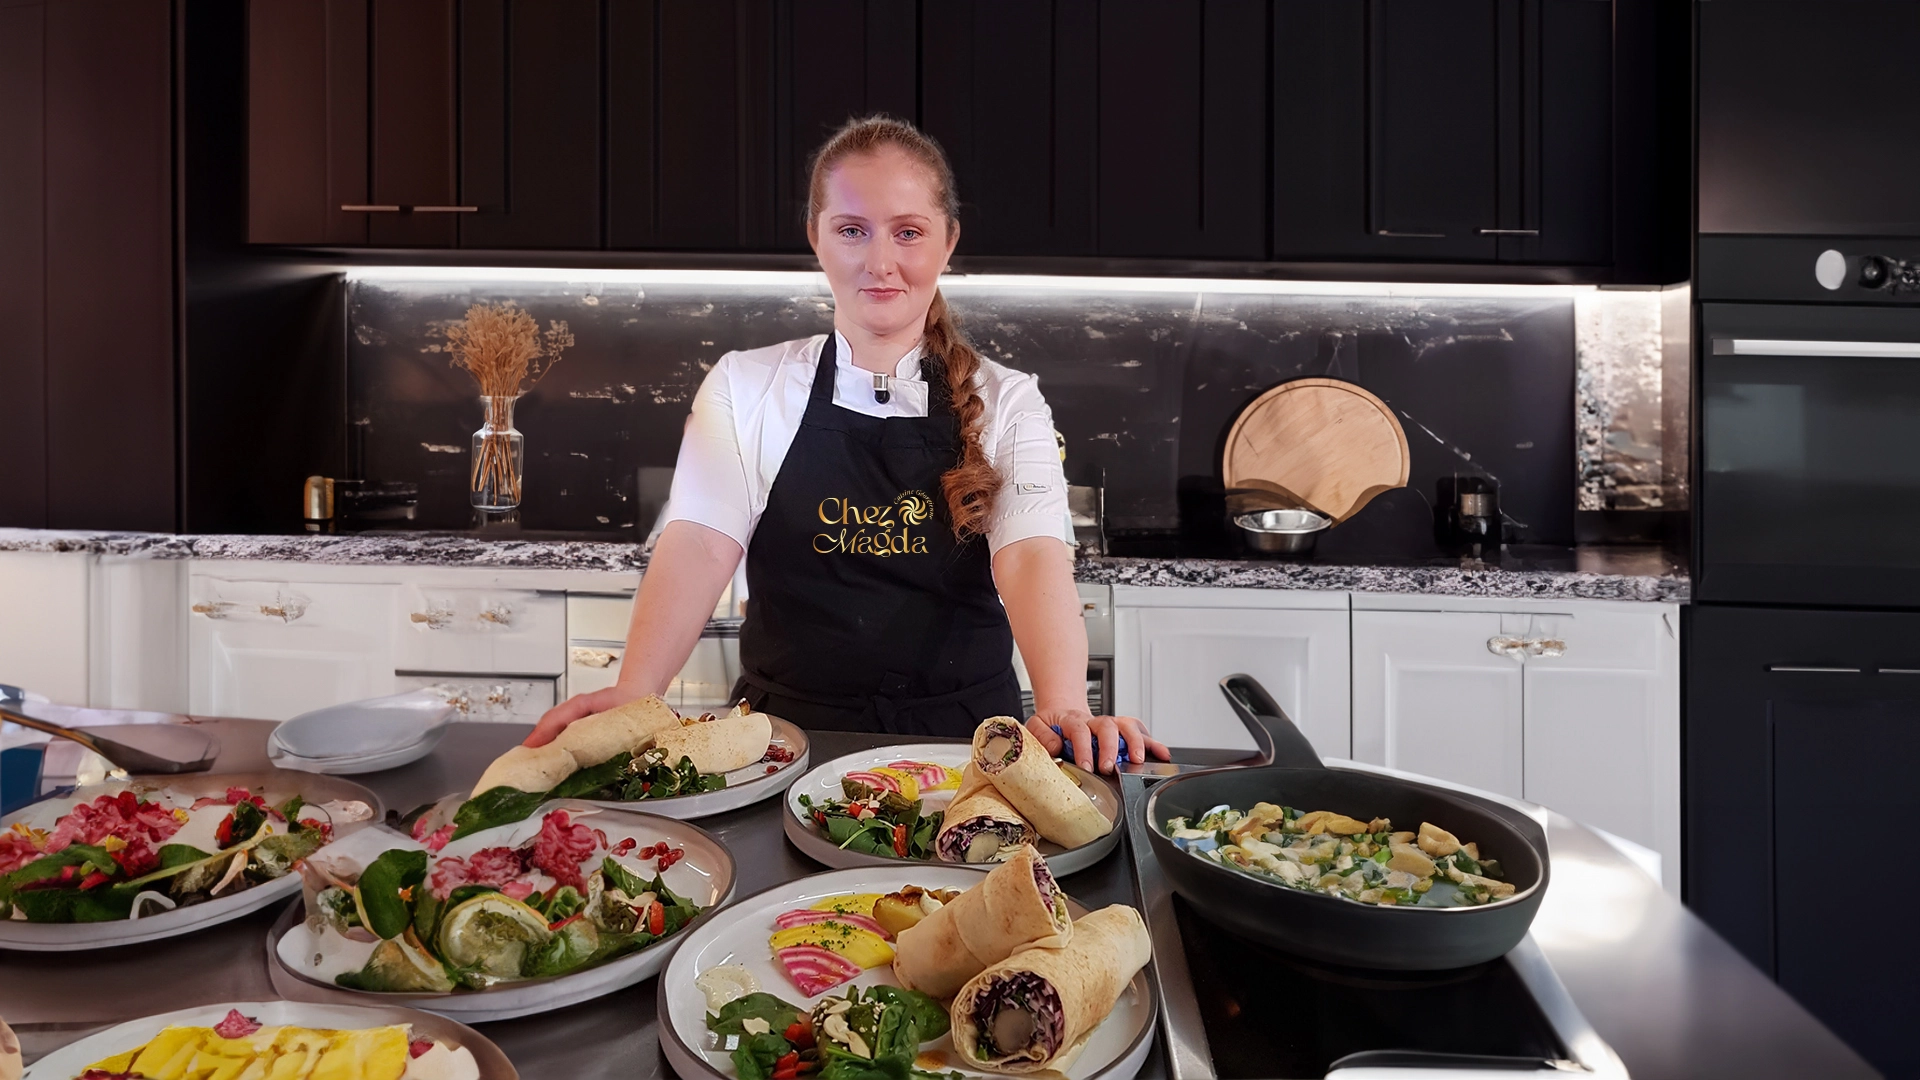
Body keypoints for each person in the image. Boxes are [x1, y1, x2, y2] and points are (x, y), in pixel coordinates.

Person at [528, 116, 1166, 774]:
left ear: (948, 241)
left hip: (968, 753)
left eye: (908, 232)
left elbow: (1031, 555)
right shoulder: (746, 386)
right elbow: (698, 542)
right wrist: (637, 694)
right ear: (817, 237)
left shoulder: (1009, 400)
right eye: (852, 230)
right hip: (781, 749)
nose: (880, 262)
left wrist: (1062, 703)